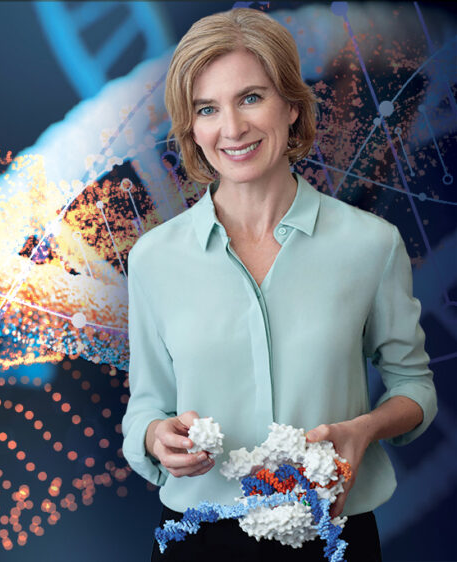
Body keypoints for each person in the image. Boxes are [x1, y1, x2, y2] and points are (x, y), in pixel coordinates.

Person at [121, 8, 437, 561]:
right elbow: (146, 406)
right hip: (199, 540)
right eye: (207, 109)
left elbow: (415, 389)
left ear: (291, 105)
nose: (233, 129)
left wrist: (363, 429)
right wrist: (156, 438)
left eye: (251, 98)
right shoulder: (154, 258)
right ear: (192, 127)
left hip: (333, 538)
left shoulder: (370, 244)